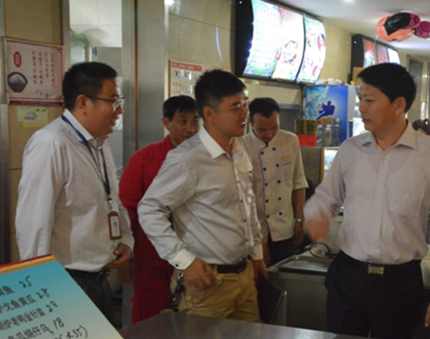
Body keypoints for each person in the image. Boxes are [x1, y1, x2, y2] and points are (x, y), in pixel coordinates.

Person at [304, 63, 430, 339]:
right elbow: (327, 197)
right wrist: (316, 214)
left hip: (399, 284)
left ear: (399, 105)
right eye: (360, 100)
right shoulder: (351, 150)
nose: (361, 108)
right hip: (348, 277)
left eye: (369, 100)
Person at [138, 69, 267, 321]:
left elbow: (247, 206)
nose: (244, 114)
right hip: (207, 283)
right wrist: (184, 261)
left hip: (243, 278)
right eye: (235, 108)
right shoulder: (187, 158)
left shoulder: (239, 150)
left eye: (245, 104)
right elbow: (149, 209)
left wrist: (257, 255)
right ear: (209, 114)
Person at [15, 62, 133, 323]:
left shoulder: (99, 143)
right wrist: (40, 295)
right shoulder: (51, 144)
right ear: (83, 102)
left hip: (98, 282)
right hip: (66, 285)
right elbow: (34, 226)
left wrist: (125, 239)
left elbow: (112, 200)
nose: (119, 110)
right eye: (113, 100)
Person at [118, 95, 199, 324]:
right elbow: (127, 210)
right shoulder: (144, 159)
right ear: (166, 123)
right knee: (151, 323)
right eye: (183, 121)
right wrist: (127, 257)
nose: (191, 129)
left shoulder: (207, 159)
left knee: (193, 326)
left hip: (197, 261)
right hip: (153, 262)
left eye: (195, 121)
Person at [238, 97, 308, 266]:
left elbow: (298, 182)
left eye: (274, 127)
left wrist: (299, 220)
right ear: (250, 122)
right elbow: (241, 196)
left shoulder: (290, 140)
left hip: (284, 227)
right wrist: (259, 242)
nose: (269, 134)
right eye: (262, 130)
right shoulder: (240, 146)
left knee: (284, 272)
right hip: (253, 229)